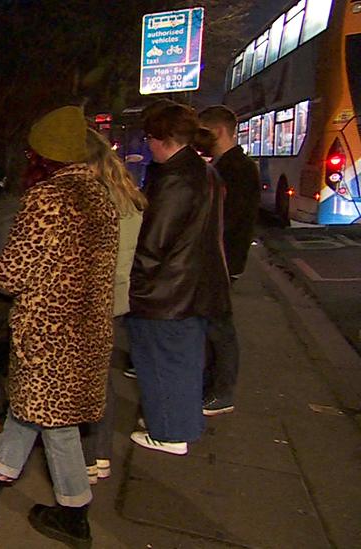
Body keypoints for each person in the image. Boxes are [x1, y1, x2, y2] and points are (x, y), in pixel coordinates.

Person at [0, 106, 119, 549]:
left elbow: (14, 272)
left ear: (43, 155)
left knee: (53, 421)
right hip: (87, 328)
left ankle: (75, 513)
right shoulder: (100, 196)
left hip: (51, 332)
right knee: (29, 410)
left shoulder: (48, 198)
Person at [126, 102, 231, 456]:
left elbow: (155, 242)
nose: (148, 146)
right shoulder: (205, 172)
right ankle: (180, 422)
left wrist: (135, 284)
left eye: (151, 138)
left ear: (163, 139)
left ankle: (169, 432)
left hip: (168, 291)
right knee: (183, 363)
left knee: (161, 363)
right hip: (195, 286)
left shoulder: (174, 179)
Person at [81, 129, 148, 485]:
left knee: (85, 384)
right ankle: (100, 455)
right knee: (101, 379)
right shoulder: (127, 195)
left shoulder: (93, 199)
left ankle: (89, 458)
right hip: (117, 301)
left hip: (91, 300)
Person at [197, 105, 260, 416]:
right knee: (214, 326)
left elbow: (228, 219)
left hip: (224, 259)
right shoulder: (230, 165)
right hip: (223, 258)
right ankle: (213, 386)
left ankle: (221, 391)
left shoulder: (236, 169)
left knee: (219, 327)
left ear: (218, 131)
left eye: (204, 132)